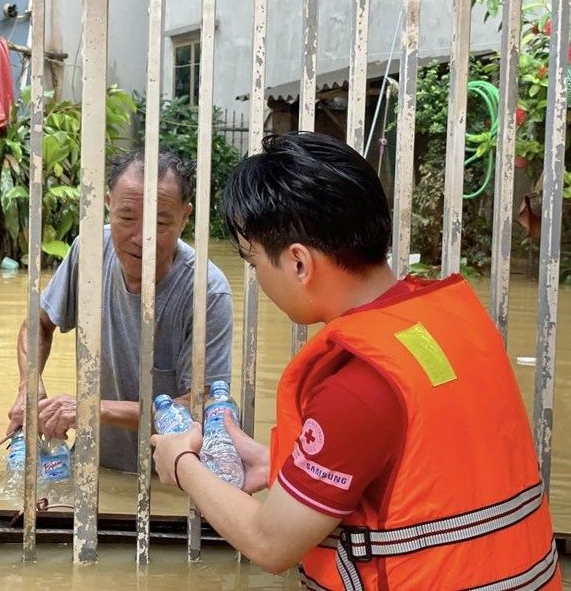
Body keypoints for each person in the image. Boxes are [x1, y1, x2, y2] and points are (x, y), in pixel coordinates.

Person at [151, 132, 559, 588]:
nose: (257, 278)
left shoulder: (357, 384)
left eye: (253, 263)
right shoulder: (446, 325)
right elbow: (418, 465)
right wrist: (276, 467)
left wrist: (181, 462)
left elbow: (270, 544)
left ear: (299, 264)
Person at [7, 150, 234, 473]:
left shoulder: (207, 292)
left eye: (161, 221)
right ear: (109, 204)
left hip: (171, 482)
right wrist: (29, 386)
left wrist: (90, 409)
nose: (142, 238)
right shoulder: (89, 252)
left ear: (185, 217)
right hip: (93, 470)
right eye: (126, 217)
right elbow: (38, 325)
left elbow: (201, 409)